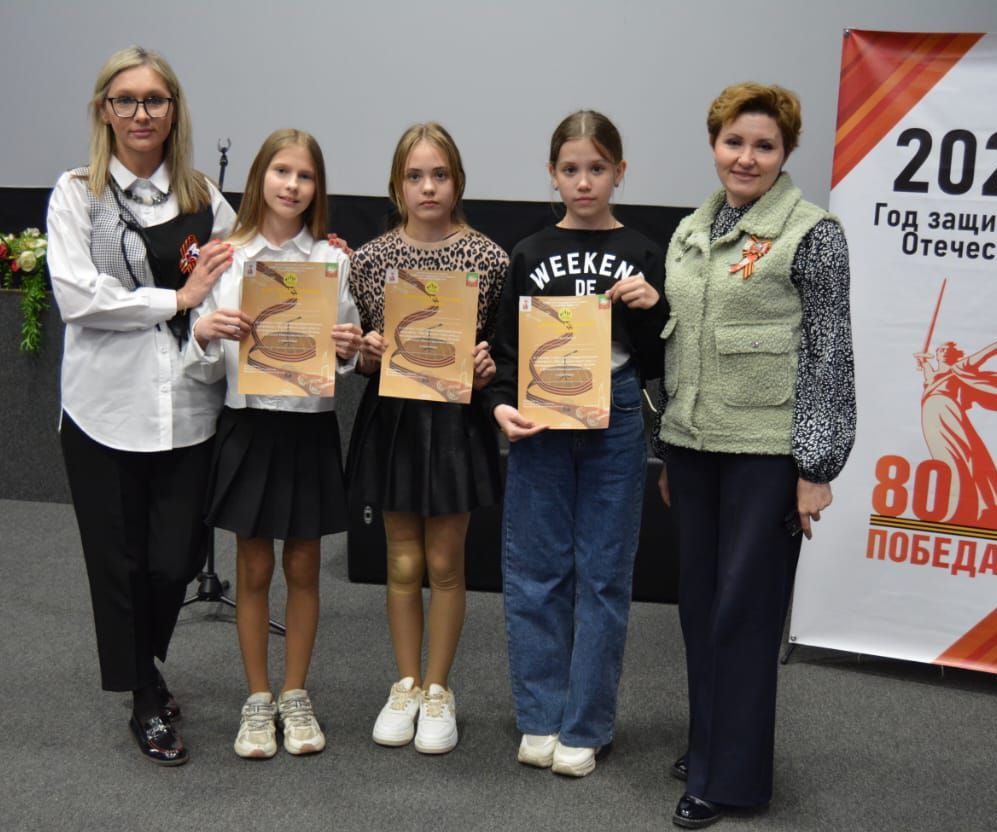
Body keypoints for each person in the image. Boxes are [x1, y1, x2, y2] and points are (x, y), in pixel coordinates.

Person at [655, 82, 855, 827]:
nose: (746, 157)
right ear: (714, 145)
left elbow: (830, 354)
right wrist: (667, 446)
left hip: (767, 455)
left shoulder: (814, 233)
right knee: (700, 608)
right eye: (733, 142)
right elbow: (677, 345)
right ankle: (710, 740)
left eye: (764, 145)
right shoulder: (689, 231)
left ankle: (731, 780)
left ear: (786, 152)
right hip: (694, 446)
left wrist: (815, 468)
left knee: (744, 613)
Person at [46, 46, 236, 765]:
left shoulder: (203, 198)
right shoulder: (77, 194)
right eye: (124, 100)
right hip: (104, 412)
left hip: (188, 409)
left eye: (154, 99)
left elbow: (240, 272)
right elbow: (78, 297)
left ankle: (143, 669)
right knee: (120, 567)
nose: (140, 113)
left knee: (174, 562)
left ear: (173, 111)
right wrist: (176, 299)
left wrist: (316, 257)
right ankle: (144, 695)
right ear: (104, 110)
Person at [489, 110, 669, 777]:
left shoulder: (644, 252)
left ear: (620, 172)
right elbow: (504, 352)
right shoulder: (529, 252)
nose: (584, 181)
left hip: (615, 410)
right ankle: (540, 713)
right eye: (571, 169)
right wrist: (499, 404)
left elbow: (657, 358)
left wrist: (653, 307)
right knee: (535, 567)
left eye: (597, 168)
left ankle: (587, 724)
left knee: (603, 571)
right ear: (552, 174)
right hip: (541, 410)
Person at [184, 129, 362, 759]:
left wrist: (347, 349)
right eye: (282, 171)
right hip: (249, 426)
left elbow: (346, 355)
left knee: (305, 567)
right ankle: (257, 698)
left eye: (305, 176)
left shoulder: (333, 261)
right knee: (254, 568)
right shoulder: (226, 257)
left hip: (308, 429)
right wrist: (206, 332)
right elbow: (201, 367)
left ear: (318, 188)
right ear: (259, 176)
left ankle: (295, 693)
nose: (292, 185)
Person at [347, 122, 507, 755]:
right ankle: (406, 684)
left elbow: (501, 356)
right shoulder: (368, 261)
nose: (428, 187)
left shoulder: (490, 260)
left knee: (444, 563)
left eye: (440, 175)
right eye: (415, 176)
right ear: (397, 185)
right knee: (402, 561)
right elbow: (362, 356)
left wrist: (490, 368)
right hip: (395, 421)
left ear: (457, 181)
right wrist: (365, 354)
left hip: (455, 423)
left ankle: (439, 689)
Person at [915, 325, 997, 530]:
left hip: (948, 411)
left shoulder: (960, 367)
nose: (944, 351)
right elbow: (927, 373)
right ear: (937, 354)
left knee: (963, 455)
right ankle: (952, 506)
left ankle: (970, 506)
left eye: (948, 349)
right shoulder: (931, 374)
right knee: (942, 457)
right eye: (941, 349)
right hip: (930, 415)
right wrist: (922, 361)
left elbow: (988, 352)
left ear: (955, 355)